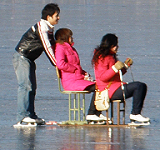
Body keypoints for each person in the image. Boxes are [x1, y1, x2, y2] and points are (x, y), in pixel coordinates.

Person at [12, 3, 60, 126]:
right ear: (48, 17)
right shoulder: (42, 27)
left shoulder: (49, 28)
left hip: (30, 59)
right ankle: (22, 116)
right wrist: (57, 65)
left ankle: (31, 115)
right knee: (25, 86)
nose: (58, 18)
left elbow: (54, 46)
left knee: (32, 87)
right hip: (22, 56)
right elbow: (47, 47)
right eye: (56, 16)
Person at [91, 33, 150, 123]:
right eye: (114, 45)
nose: (116, 47)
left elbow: (117, 73)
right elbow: (102, 77)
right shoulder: (102, 58)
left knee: (140, 86)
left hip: (115, 86)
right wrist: (114, 68)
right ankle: (135, 113)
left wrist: (125, 66)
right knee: (139, 86)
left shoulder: (110, 56)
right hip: (108, 90)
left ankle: (136, 113)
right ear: (109, 45)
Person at [54, 28, 106, 121]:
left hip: (78, 78)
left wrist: (83, 72)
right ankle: (91, 113)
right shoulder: (60, 47)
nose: (72, 38)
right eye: (70, 36)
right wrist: (74, 69)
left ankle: (98, 113)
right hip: (70, 81)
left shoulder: (71, 49)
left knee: (102, 86)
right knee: (98, 87)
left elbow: (76, 65)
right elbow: (60, 64)